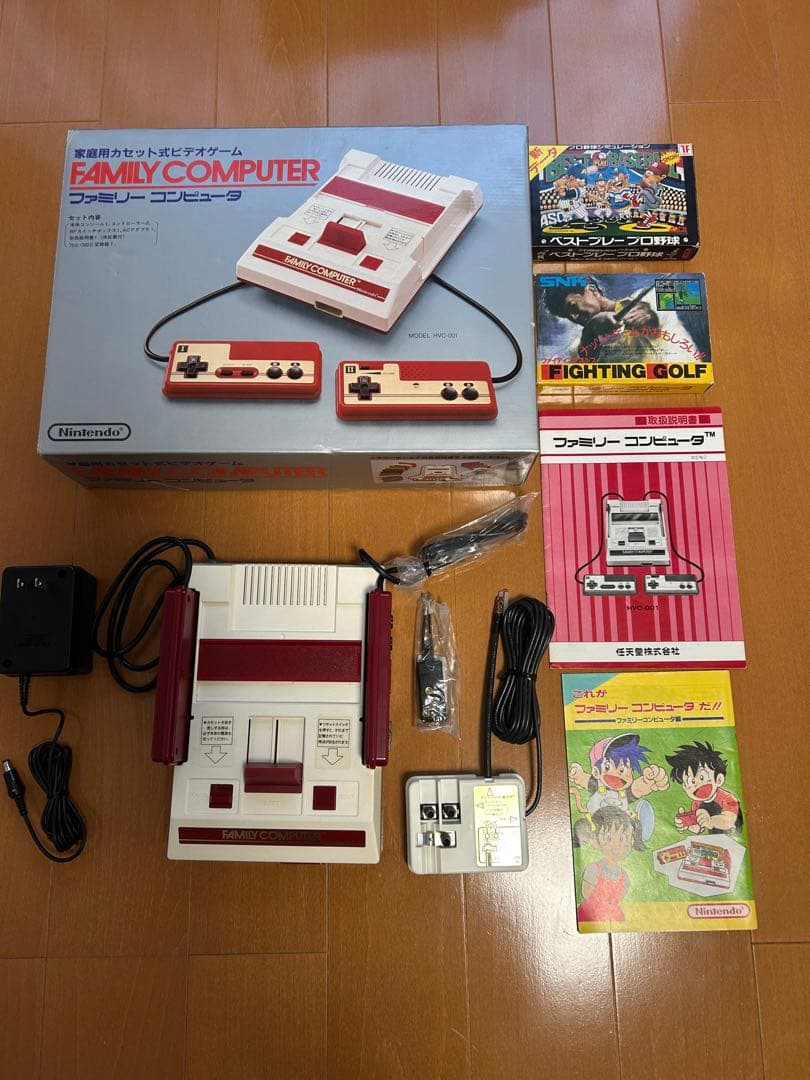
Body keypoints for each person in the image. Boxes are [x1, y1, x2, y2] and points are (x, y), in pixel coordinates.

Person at [542, 276, 698, 363]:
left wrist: (652, 312)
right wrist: (591, 330)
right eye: (567, 316)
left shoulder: (650, 295)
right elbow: (584, 361)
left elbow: (693, 293)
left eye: (573, 307)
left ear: (592, 290)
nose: (574, 317)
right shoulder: (581, 345)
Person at [569, 732, 668, 847]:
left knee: (632, 826)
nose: (617, 774)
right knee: (581, 826)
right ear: (596, 772)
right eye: (608, 767)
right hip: (596, 823)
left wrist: (648, 781)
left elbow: (638, 789)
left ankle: (639, 836)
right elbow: (584, 779)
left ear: (631, 773)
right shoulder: (596, 785)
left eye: (623, 770)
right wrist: (578, 774)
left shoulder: (624, 792)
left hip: (620, 825)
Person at [665, 741, 742, 835]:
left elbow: (729, 821)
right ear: (685, 788)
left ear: (719, 779)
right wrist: (688, 824)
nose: (697, 784)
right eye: (691, 782)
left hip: (731, 838)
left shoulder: (727, 798)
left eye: (702, 777)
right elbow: (699, 828)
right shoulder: (697, 804)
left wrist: (710, 821)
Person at [576, 805, 636, 924]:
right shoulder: (593, 869)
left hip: (613, 916)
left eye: (622, 838)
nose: (616, 845)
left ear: (631, 841)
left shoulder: (624, 876)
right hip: (590, 915)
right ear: (595, 841)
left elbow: (622, 895)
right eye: (609, 838)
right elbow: (586, 893)